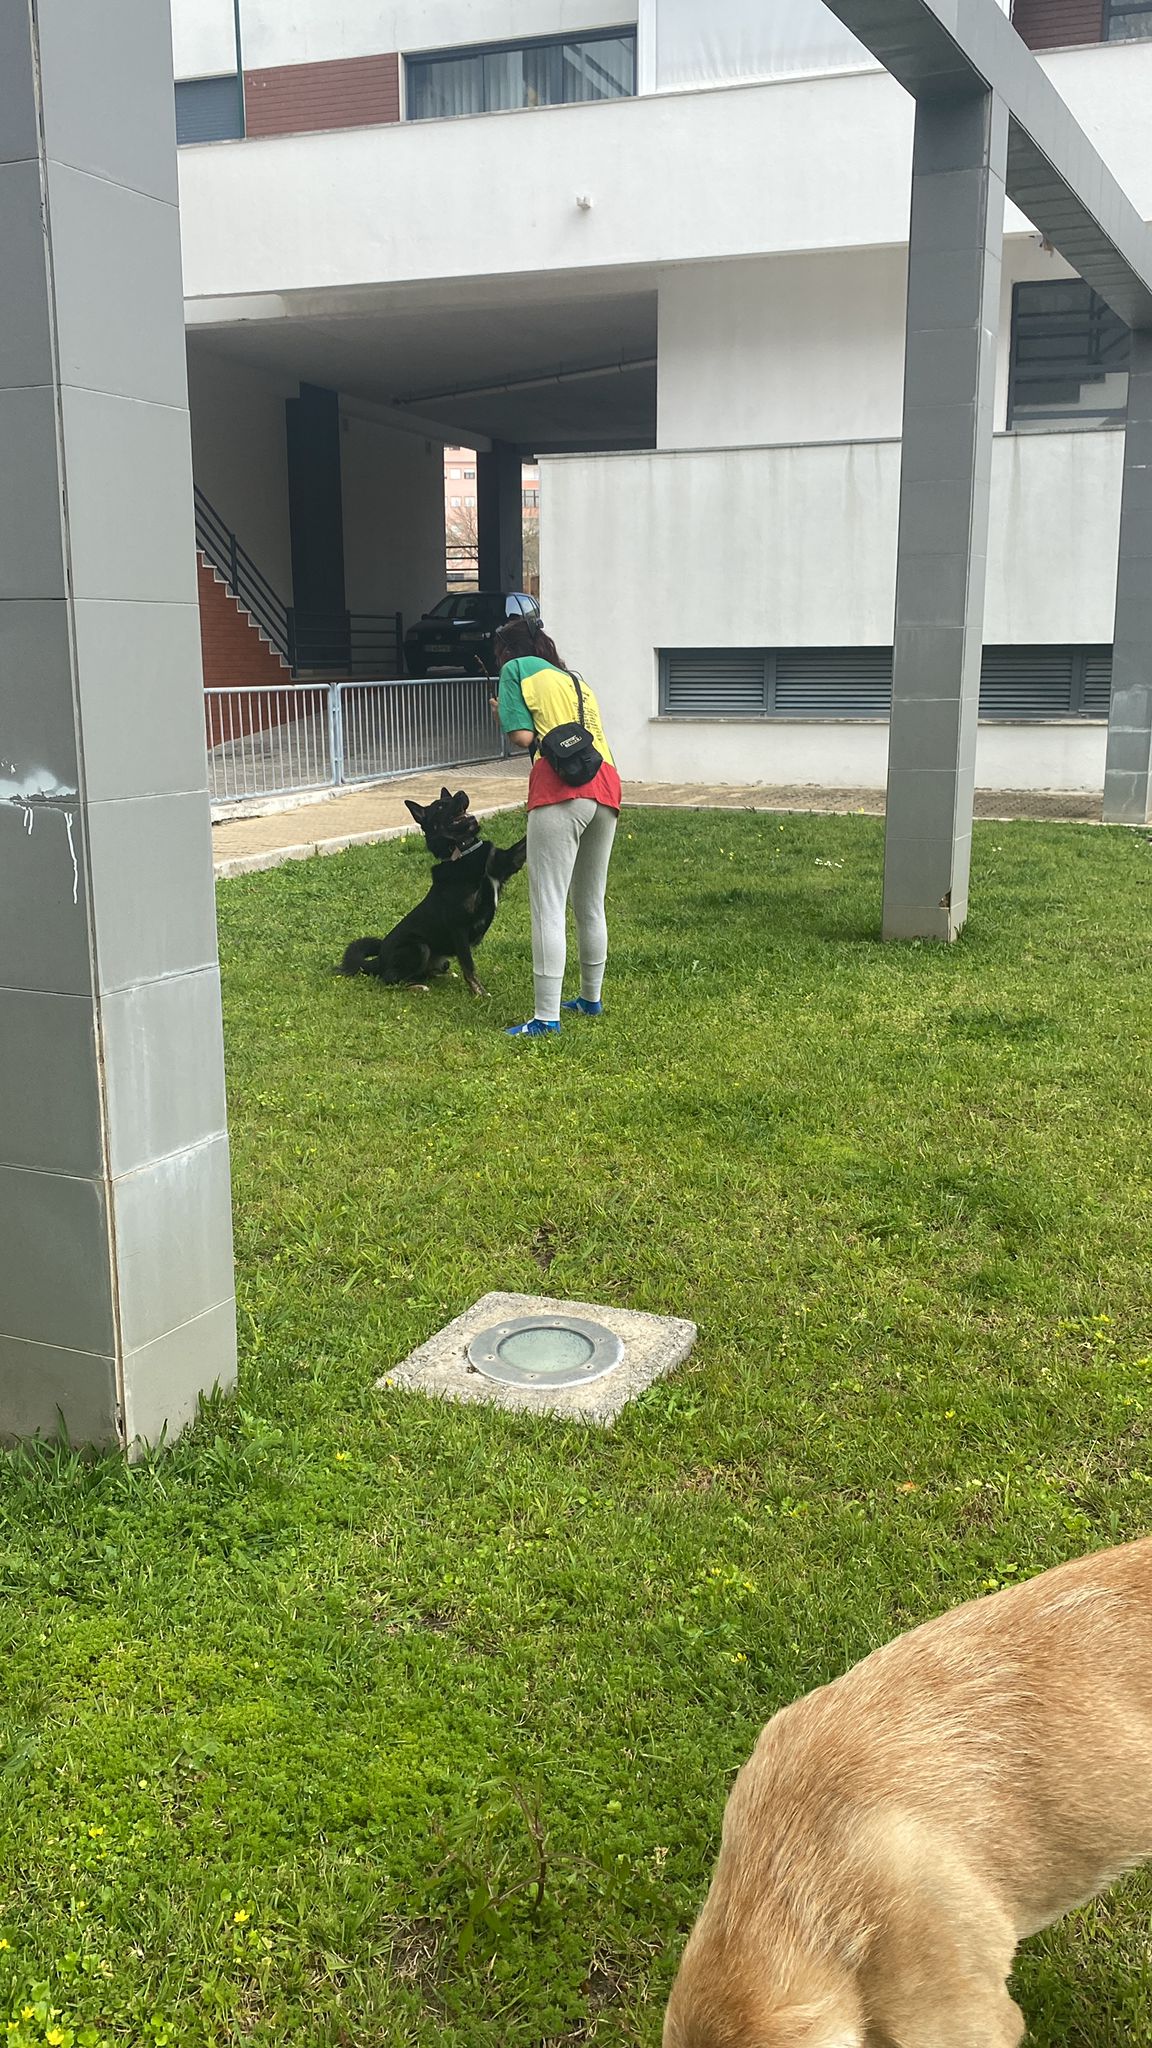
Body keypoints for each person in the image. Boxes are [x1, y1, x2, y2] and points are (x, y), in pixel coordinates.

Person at [491, 616, 621, 1038]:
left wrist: (504, 710)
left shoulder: (514, 671)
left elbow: (521, 736)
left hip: (559, 787)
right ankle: (590, 998)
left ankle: (546, 1018)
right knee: (590, 902)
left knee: (548, 903)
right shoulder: (576, 680)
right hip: (607, 785)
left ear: (506, 651)